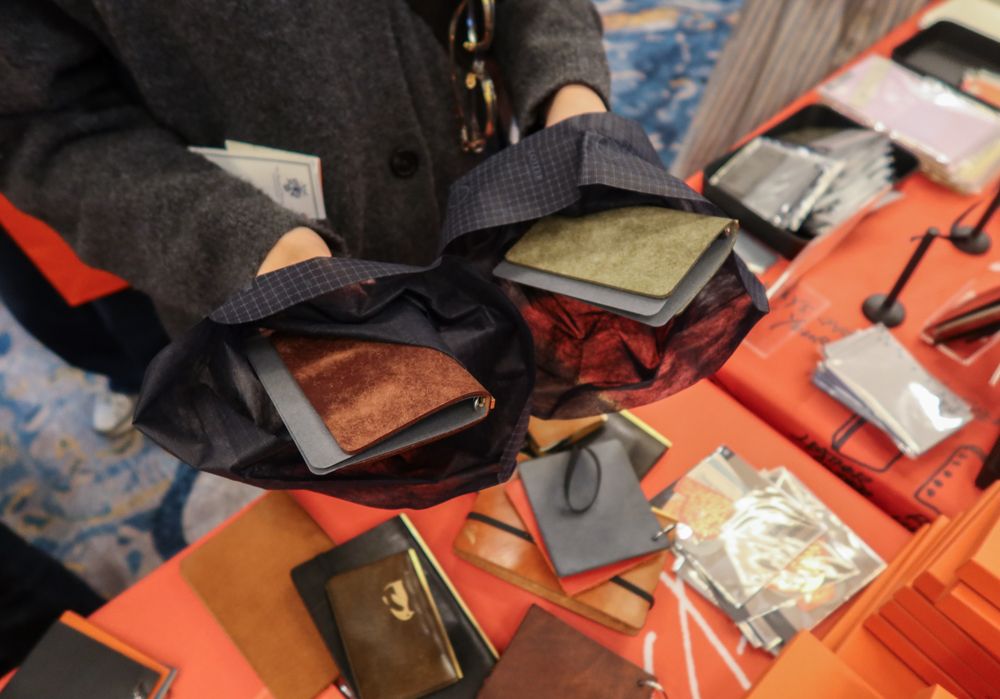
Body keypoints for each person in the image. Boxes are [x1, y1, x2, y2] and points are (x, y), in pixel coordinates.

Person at [0, 0, 611, 339]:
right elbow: (42, 121)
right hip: (271, 283)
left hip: (493, 192)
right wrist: (243, 246)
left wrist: (568, 88)